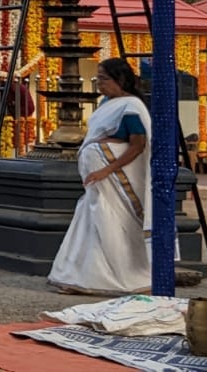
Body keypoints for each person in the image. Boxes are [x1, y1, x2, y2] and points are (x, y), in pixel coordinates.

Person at [47, 57, 153, 295]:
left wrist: (107, 168)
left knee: (108, 224)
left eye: (104, 79)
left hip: (115, 180)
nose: (99, 84)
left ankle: (113, 280)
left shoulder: (131, 107)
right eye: (98, 79)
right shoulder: (108, 102)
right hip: (98, 183)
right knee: (90, 221)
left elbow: (137, 145)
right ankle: (77, 276)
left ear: (121, 79)